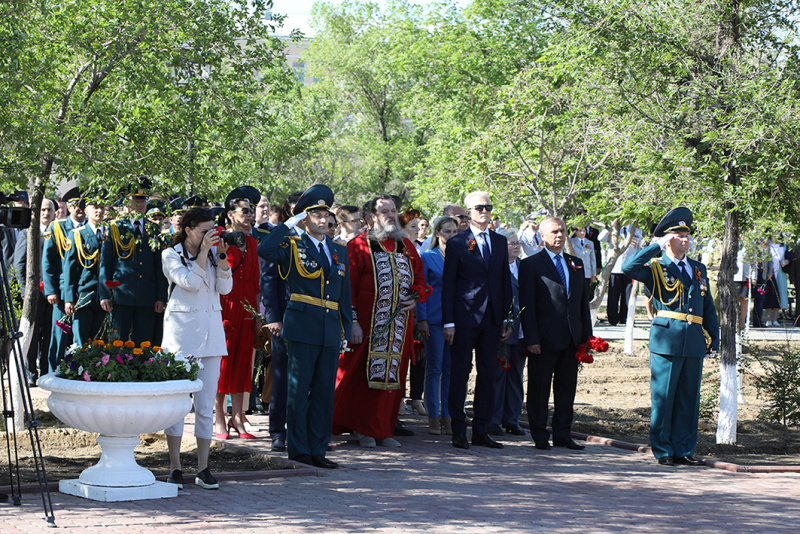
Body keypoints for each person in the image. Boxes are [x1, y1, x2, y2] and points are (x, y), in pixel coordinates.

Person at [258, 185, 352, 468]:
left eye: (326, 215)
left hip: (329, 328)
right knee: (298, 391)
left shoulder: (338, 251)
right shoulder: (292, 245)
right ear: (305, 218)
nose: (323, 220)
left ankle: (317, 449)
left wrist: (344, 330)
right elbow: (265, 249)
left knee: (324, 391)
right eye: (316, 215)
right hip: (302, 325)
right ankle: (299, 449)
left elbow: (343, 295)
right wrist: (288, 224)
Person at [622, 207, 720, 467]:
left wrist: (714, 337)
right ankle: (664, 449)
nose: (686, 239)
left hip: (693, 341)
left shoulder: (698, 269)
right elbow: (627, 266)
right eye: (679, 234)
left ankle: (684, 448)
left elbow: (707, 306)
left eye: (687, 234)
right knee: (664, 398)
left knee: (689, 399)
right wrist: (655, 246)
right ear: (667, 239)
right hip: (667, 340)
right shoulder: (655, 267)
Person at [332, 195, 424, 448]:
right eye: (385, 211)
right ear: (371, 217)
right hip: (367, 325)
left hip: (399, 327)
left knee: (392, 376)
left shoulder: (405, 245)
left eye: (394, 210)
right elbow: (346, 288)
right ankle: (362, 429)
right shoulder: (359, 245)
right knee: (361, 378)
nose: (392, 215)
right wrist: (352, 322)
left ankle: (383, 429)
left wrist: (416, 295)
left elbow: (420, 278)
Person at [161, 207, 232, 490]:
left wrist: (223, 259)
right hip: (181, 338)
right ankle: (175, 467)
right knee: (178, 406)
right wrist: (203, 253)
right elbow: (189, 282)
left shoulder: (214, 253)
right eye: (204, 231)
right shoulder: (171, 254)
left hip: (211, 339)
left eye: (213, 230)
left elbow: (225, 290)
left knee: (205, 407)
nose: (210, 236)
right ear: (188, 229)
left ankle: (203, 467)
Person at [442, 191, 512, 450]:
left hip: (492, 319)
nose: (484, 211)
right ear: (468, 213)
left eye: (488, 207)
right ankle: (458, 429)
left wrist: (506, 316)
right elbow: (449, 285)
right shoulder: (458, 242)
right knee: (460, 374)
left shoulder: (500, 241)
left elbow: (504, 280)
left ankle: (481, 429)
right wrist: (448, 322)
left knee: (488, 374)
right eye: (479, 207)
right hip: (464, 318)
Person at [519, 217, 592, 451]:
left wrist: (586, 339)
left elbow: (582, 305)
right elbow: (527, 305)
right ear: (542, 236)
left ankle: (563, 434)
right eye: (553, 232)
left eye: (562, 231)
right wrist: (532, 339)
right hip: (544, 340)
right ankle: (540, 435)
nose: (559, 235)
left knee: (566, 389)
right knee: (539, 389)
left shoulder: (576, 263)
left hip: (571, 340)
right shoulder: (531, 264)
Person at [214, 186, 261, 440]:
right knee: (223, 362)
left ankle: (237, 416)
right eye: (245, 210)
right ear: (231, 214)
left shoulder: (253, 242)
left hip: (245, 306)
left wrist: (256, 314)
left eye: (252, 210)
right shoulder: (220, 236)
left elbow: (255, 282)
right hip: (225, 303)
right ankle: (219, 414)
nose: (250, 214)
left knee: (243, 362)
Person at [257, 192, 301, 452]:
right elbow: (269, 280)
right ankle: (278, 432)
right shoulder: (278, 238)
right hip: (284, 317)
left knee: (306, 379)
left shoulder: (318, 239)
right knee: (282, 376)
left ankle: (302, 432)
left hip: (312, 319)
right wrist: (272, 317)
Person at [99, 184, 167, 344]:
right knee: (117, 343)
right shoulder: (115, 228)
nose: (140, 205)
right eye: (136, 201)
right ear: (126, 204)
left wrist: (160, 297)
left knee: (144, 343)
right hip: (121, 295)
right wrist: (104, 294)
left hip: (147, 296)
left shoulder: (154, 230)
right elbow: (106, 264)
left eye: (143, 201)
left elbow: (159, 267)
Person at [417, 216, 458, 435]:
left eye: (454, 232)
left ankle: (447, 414)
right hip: (433, 319)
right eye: (447, 231)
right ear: (437, 234)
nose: (451, 236)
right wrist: (421, 318)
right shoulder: (427, 257)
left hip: (456, 321)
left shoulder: (460, 257)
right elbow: (422, 290)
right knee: (435, 367)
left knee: (451, 369)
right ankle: (433, 415)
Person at [488, 228, 527, 437]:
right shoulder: (497, 268)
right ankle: (493, 419)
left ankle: (512, 419)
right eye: (511, 243)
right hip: (501, 331)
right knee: (498, 375)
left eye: (518, 243)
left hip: (521, 332)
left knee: (516, 376)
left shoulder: (524, 267)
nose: (516, 247)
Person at [14, 198, 57, 384]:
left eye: (49, 210)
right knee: (32, 337)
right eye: (42, 210)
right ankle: (30, 373)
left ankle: (46, 372)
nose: (46, 213)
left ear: (55, 213)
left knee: (49, 334)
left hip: (54, 295)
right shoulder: (28, 234)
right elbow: (19, 264)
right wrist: (26, 293)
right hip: (34, 295)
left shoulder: (59, 233)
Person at [42, 187, 85, 373]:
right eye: (75, 204)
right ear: (68, 206)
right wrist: (50, 290)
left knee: (81, 335)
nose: (79, 208)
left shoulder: (92, 228)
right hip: (60, 292)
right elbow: (48, 261)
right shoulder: (57, 227)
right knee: (59, 335)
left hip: (84, 290)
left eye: (82, 204)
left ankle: (79, 372)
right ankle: (54, 372)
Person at [63, 193, 107, 345]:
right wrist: (69, 298)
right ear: (86, 210)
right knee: (82, 341)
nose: (99, 211)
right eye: (94, 207)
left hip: (105, 296)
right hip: (84, 294)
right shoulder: (77, 235)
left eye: (101, 207)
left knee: (101, 341)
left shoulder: (110, 234)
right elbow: (69, 268)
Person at [399, 208, 426, 415]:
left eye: (419, 226)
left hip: (413, 313)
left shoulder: (415, 249)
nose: (418, 230)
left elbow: (421, 282)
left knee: (416, 359)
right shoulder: (397, 248)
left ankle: (414, 397)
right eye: (413, 226)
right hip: (394, 315)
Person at [600, 223, 641, 325]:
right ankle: (612, 318)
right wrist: (612, 226)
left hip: (629, 268)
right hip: (615, 267)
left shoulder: (637, 231)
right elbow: (600, 238)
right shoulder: (613, 230)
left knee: (627, 294)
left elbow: (638, 249)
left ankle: (625, 317)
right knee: (613, 295)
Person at [570, 226, 597, 297]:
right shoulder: (571, 241)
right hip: (575, 270)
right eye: (580, 231)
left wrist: (593, 273)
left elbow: (592, 259)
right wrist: (570, 235)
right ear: (575, 232)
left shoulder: (590, 243)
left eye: (584, 231)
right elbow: (564, 246)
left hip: (587, 272)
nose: (582, 233)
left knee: (585, 293)